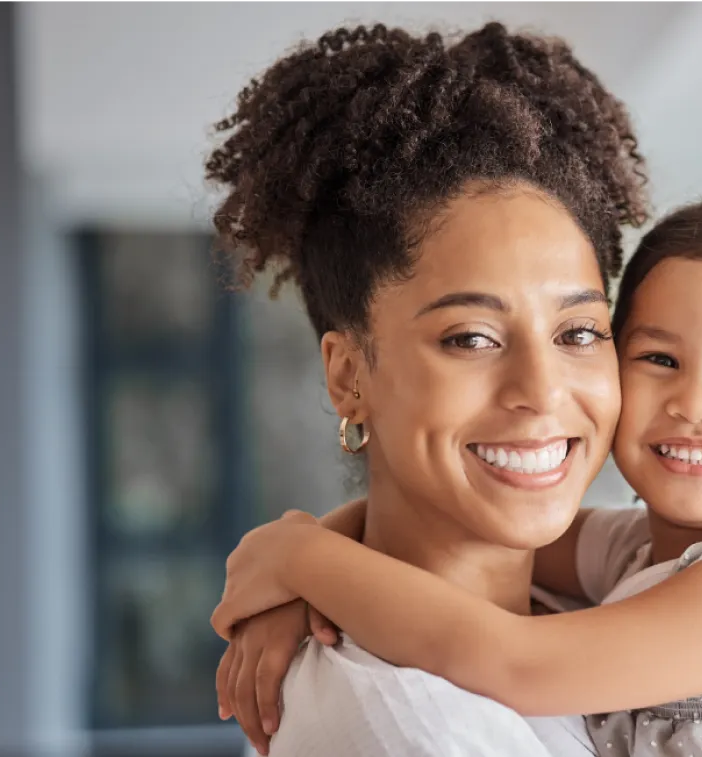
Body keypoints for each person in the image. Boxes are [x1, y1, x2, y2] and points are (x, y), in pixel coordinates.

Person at [214, 192, 702, 756]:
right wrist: (299, 561)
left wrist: (300, 559)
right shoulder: (638, 550)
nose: (695, 402)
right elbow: (454, 531)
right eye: (659, 359)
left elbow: (513, 663)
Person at [204, 21, 648, 756]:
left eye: (576, 332)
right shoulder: (416, 727)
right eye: (470, 337)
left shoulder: (609, 598)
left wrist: (309, 555)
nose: (541, 391)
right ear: (349, 374)